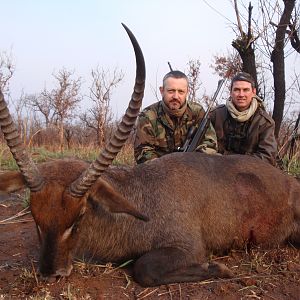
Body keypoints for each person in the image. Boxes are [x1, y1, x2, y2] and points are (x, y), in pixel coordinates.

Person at [134, 70, 217, 164]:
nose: (176, 96)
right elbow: (142, 151)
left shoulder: (197, 111)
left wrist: (192, 160)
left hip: (193, 167)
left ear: (187, 92)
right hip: (161, 170)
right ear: (162, 91)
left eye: (181, 91)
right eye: (171, 91)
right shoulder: (148, 115)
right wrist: (169, 168)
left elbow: (210, 144)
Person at [210, 72, 277, 166]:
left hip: (248, 172)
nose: (241, 94)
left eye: (245, 90)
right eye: (237, 90)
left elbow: (267, 157)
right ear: (231, 92)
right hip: (217, 168)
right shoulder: (215, 115)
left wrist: (236, 163)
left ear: (253, 92)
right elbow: (204, 146)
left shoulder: (265, 122)